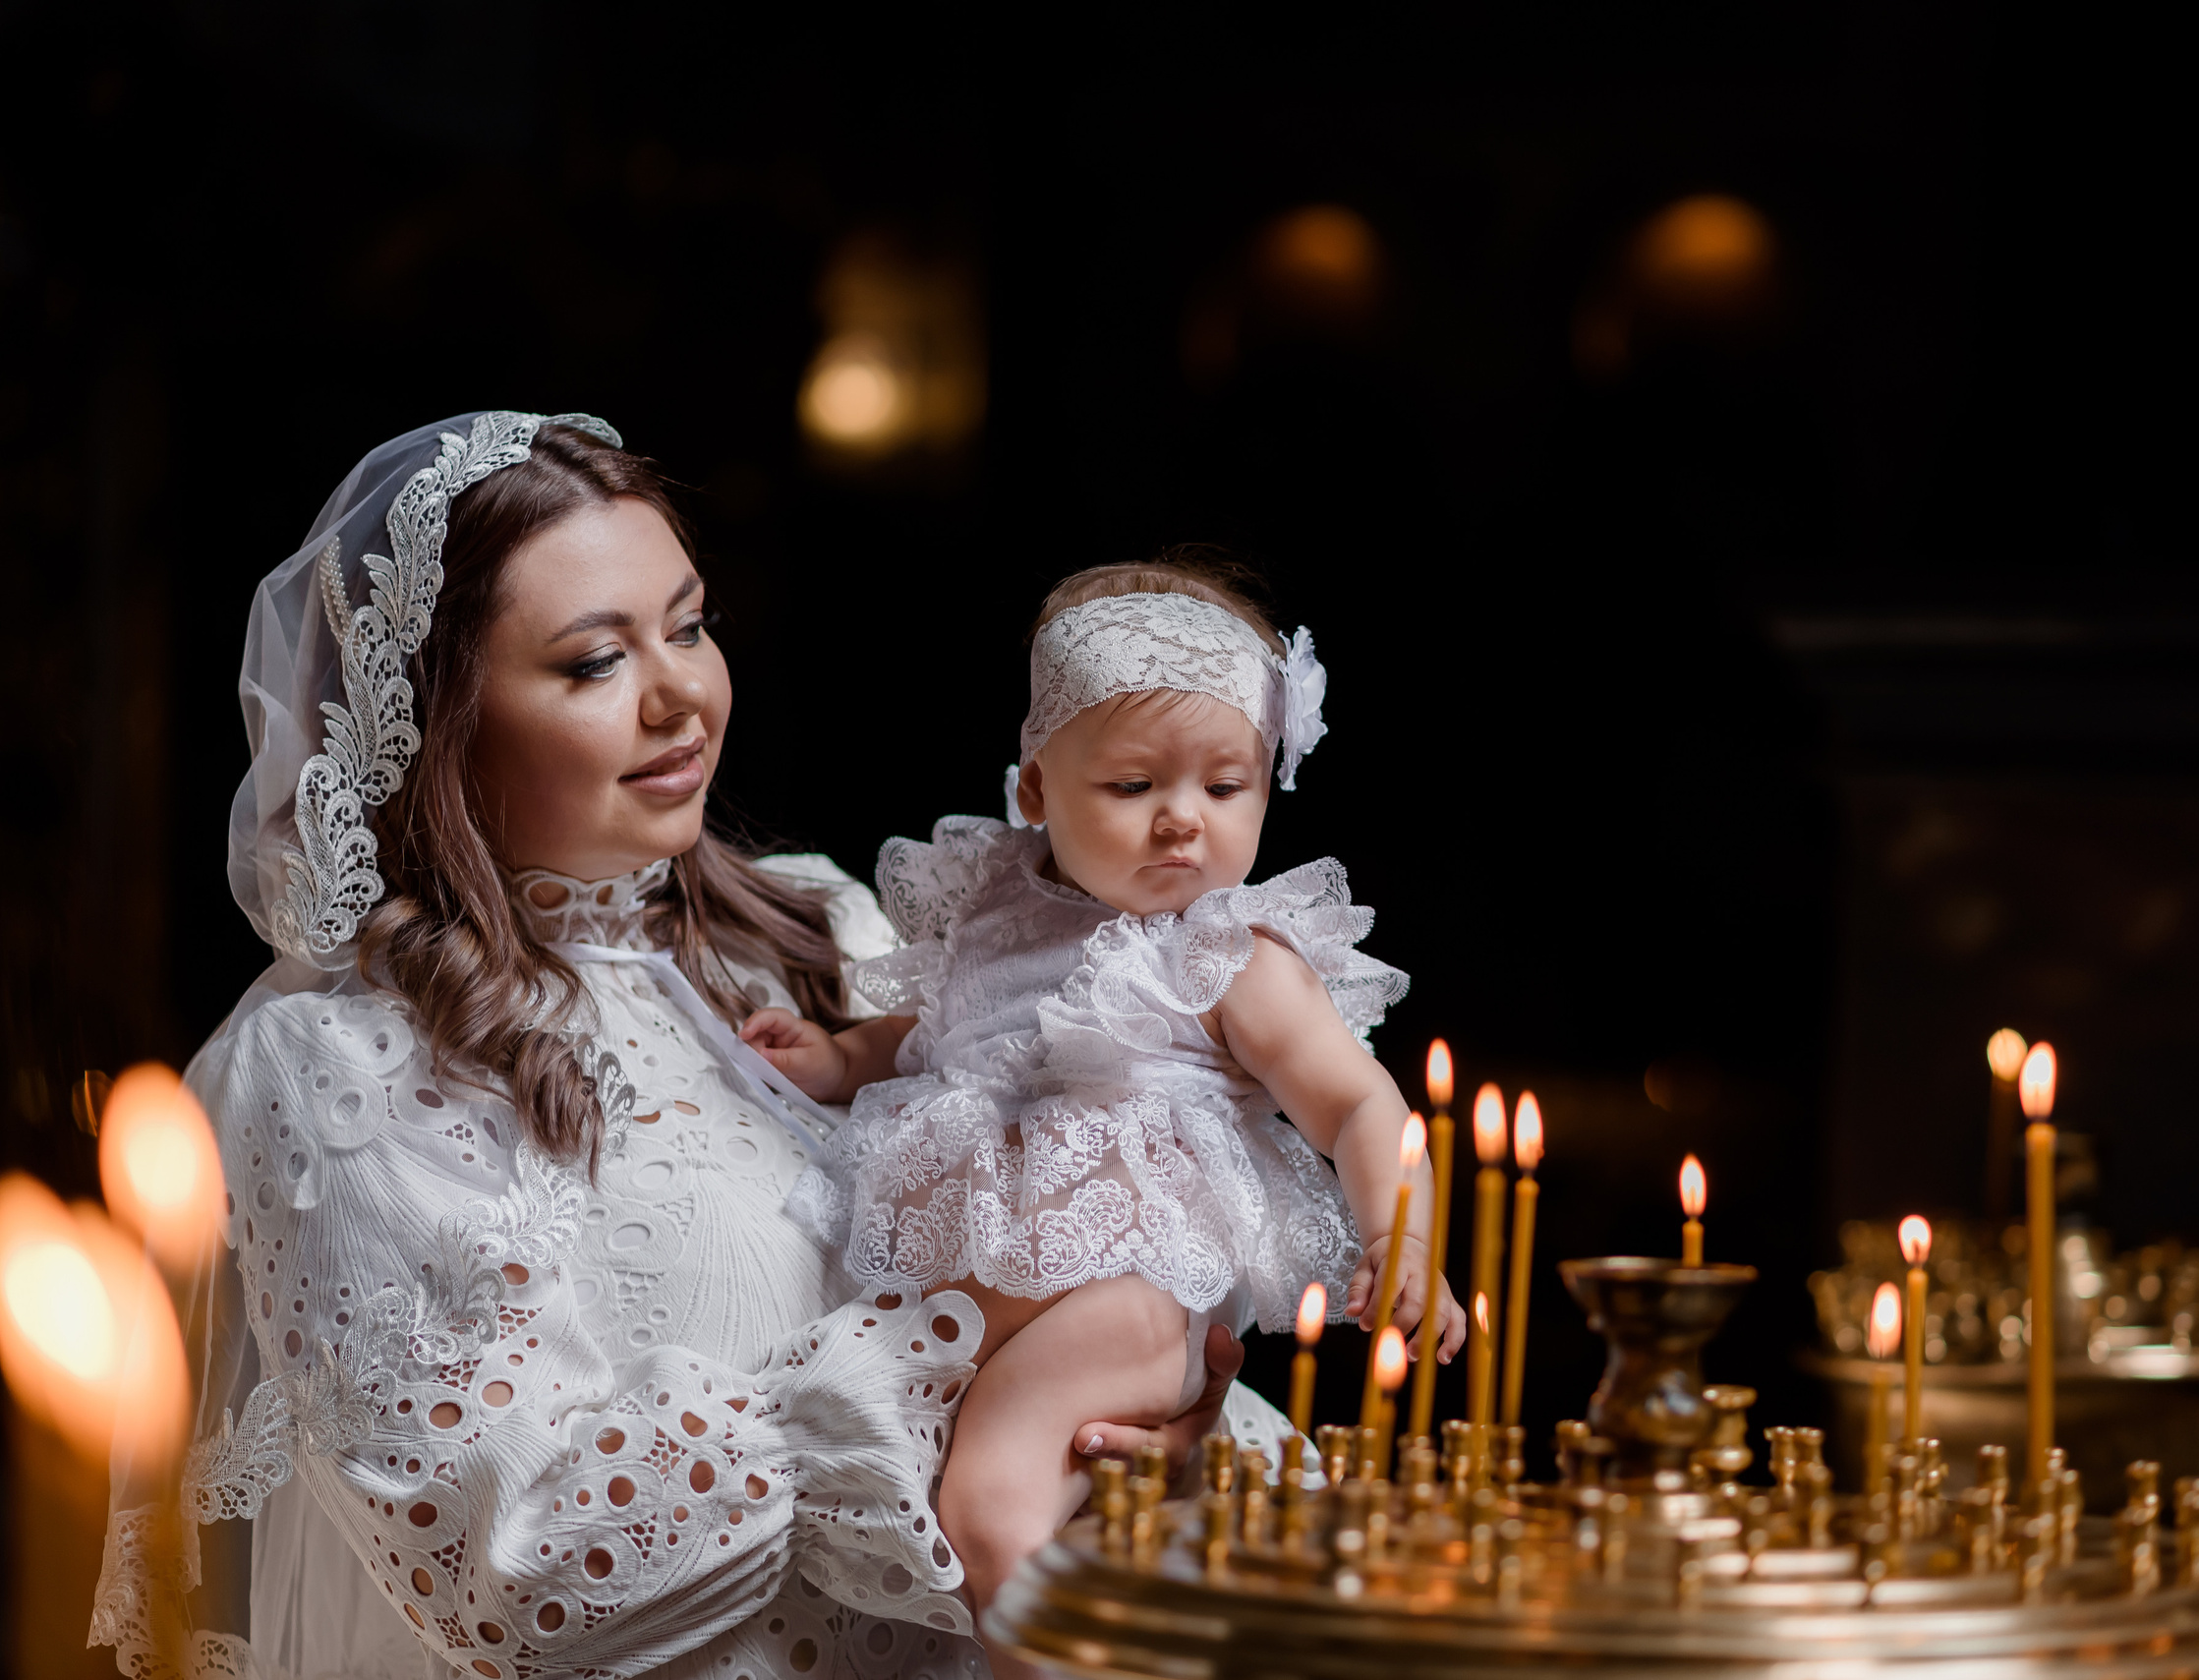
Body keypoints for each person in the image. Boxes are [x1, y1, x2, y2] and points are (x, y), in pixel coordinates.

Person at [90, 417, 1283, 1680]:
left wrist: (1157, 1409)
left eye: (691, 625)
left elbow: (1117, 1242)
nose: (682, 695)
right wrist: (958, 1331)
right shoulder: (339, 1061)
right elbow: (513, 1574)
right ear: (443, 723)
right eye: (596, 660)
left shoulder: (829, 934)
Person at [746, 557, 1468, 1621]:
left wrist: (1401, 1237)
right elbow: (951, 1033)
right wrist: (840, 1057)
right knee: (1023, 1524)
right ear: (1036, 786)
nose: (1183, 819)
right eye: (1132, 786)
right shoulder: (997, 905)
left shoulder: (1229, 953)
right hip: (1002, 1296)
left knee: (992, 1513)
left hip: (1122, 1299)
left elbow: (1357, 1101)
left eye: (1226, 786)